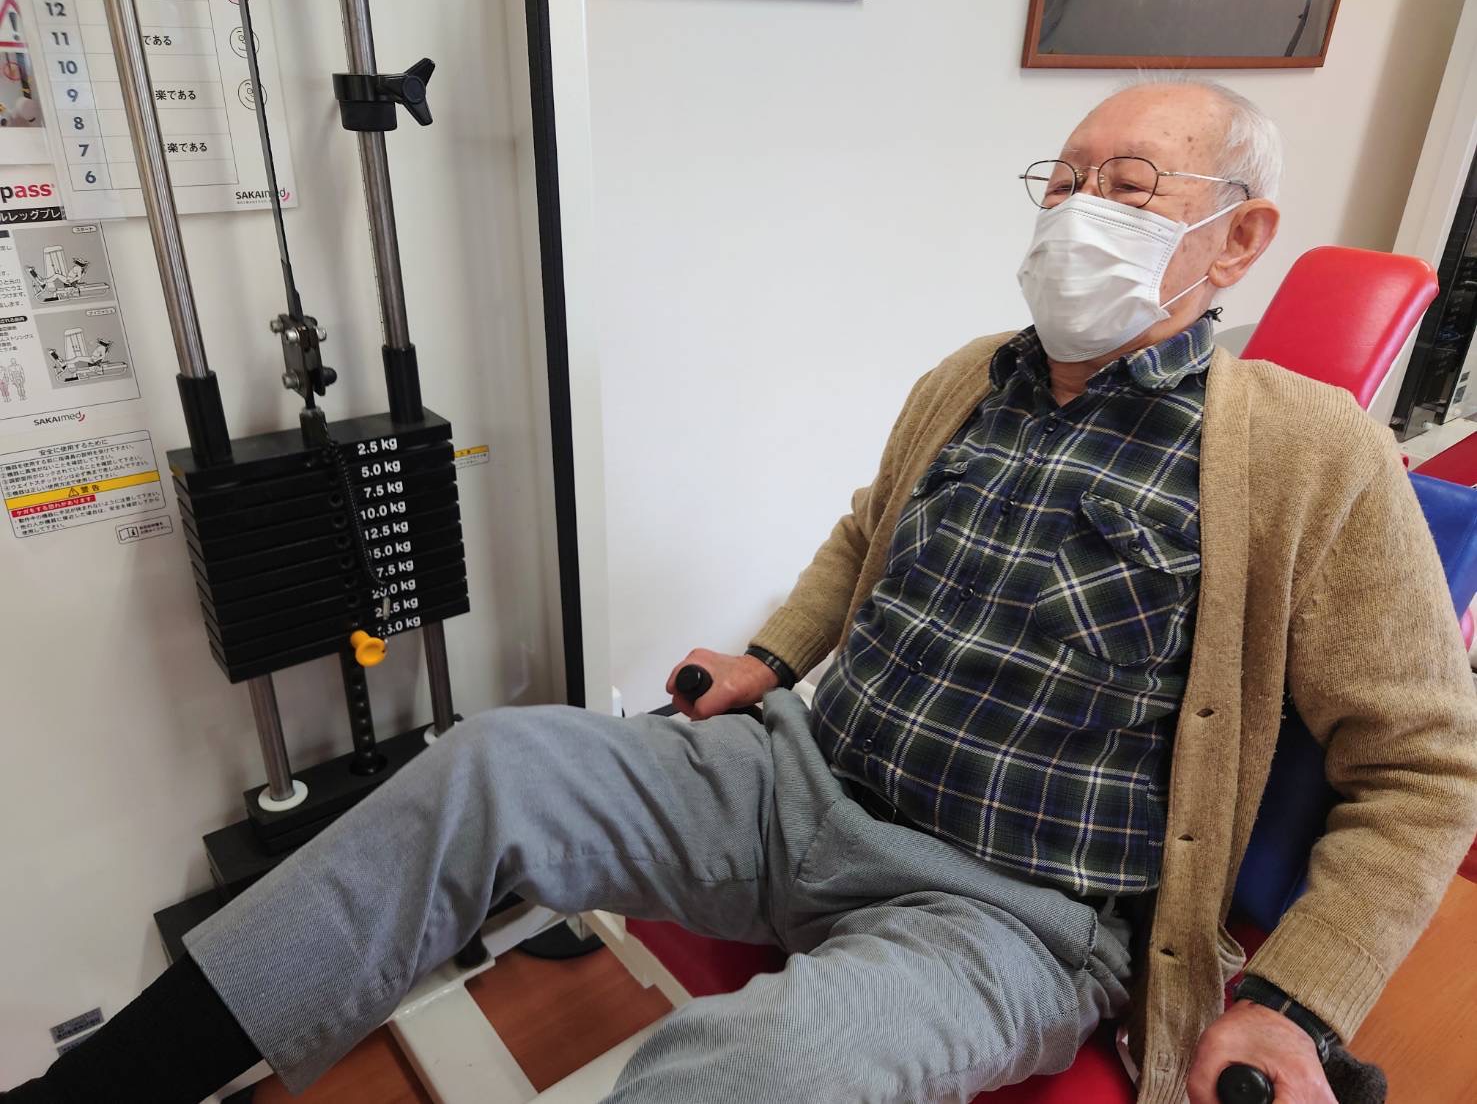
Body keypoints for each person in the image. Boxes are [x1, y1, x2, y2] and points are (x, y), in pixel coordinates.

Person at [8, 76, 1477, 1104]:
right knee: (487, 768)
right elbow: (864, 535)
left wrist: (1296, 1002)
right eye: (1066, 181)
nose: (1080, 211)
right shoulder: (968, 379)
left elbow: (1424, 768)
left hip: (1011, 914)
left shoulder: (1311, 458)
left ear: (1238, 237)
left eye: (1130, 187)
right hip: (795, 785)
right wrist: (770, 660)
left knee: (741, 1079)